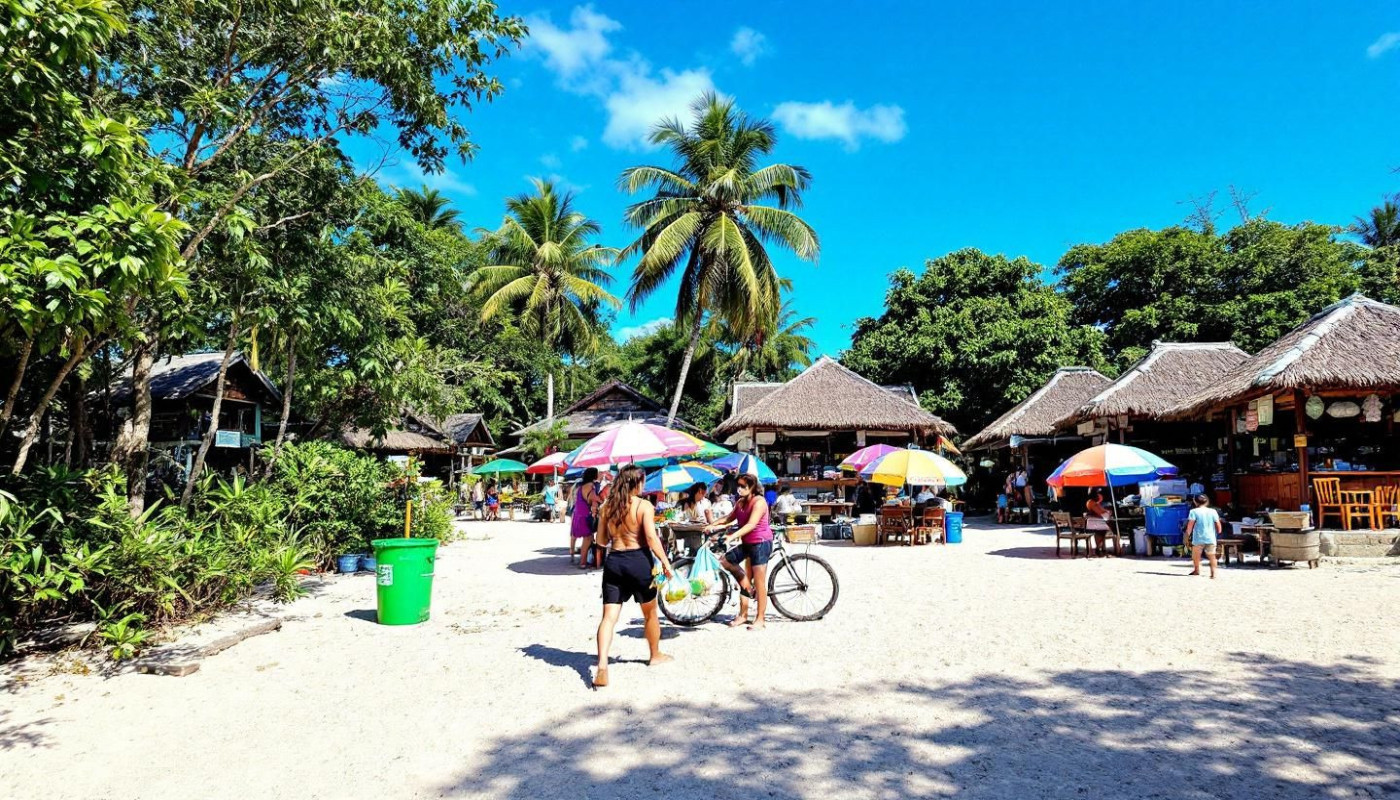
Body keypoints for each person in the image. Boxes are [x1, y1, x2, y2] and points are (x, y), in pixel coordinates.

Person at [592, 464, 675, 688]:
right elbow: (650, 537)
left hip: (615, 562)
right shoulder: (644, 506)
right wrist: (666, 563)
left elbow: (600, 542)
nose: (644, 485)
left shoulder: (607, 507)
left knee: (608, 618)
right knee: (650, 614)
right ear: (636, 483)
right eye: (643, 481)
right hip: (639, 561)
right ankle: (655, 655)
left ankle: (602, 666)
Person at [704, 473, 773, 630]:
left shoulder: (759, 502)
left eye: (743, 486)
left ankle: (760, 619)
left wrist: (731, 537)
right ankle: (744, 610)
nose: (739, 489)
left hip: (761, 543)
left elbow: (751, 524)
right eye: (738, 486)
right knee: (726, 561)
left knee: (760, 581)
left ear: (752, 487)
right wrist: (713, 525)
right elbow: (729, 518)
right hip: (747, 542)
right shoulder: (740, 502)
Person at [570, 468, 602, 568]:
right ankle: (583, 562)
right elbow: (595, 498)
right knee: (587, 539)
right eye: (597, 473)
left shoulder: (582, 486)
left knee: (587, 538)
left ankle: (581, 558)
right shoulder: (590, 486)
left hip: (578, 514)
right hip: (584, 515)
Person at [1185, 493, 1222, 578]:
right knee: (1212, 556)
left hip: (1198, 538)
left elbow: (1190, 526)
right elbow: (1218, 525)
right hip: (1211, 538)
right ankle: (1213, 573)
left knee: (1196, 555)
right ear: (1206, 501)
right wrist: (1219, 532)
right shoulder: (1213, 511)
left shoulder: (1193, 512)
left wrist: (1187, 537)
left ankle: (1197, 570)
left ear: (1195, 501)